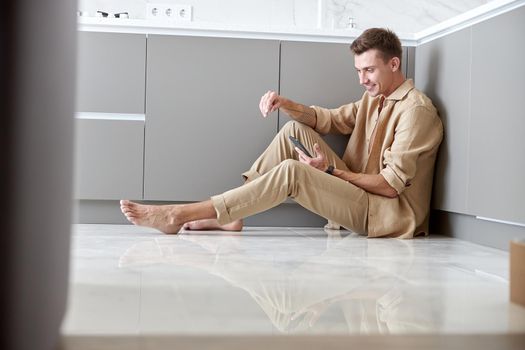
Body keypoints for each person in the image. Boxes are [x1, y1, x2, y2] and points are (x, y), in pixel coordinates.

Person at [120, 28, 443, 239]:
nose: (362, 80)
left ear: (394, 64)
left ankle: (178, 214)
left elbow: (389, 187)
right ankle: (233, 214)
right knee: (295, 129)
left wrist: (331, 171)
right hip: (359, 193)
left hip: (385, 215)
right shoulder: (375, 98)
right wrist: (284, 103)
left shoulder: (415, 111)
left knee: (293, 172)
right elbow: (327, 119)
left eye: (369, 70)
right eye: (358, 71)